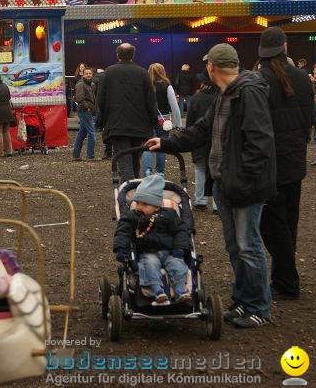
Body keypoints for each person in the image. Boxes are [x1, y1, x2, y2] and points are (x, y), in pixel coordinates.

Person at [149, 43, 276, 329]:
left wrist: (243, 181)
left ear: (212, 67)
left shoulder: (248, 93)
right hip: (227, 183)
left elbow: (260, 144)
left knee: (248, 245)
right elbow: (202, 130)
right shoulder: (225, 95)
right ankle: (243, 300)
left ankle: (259, 307)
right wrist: (168, 143)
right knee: (236, 246)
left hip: (244, 186)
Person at [257, 27, 316, 300]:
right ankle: (284, 277)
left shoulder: (260, 81)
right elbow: (310, 118)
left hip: (271, 164)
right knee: (289, 220)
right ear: (285, 46)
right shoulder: (303, 79)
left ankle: (287, 280)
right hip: (295, 160)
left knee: (272, 224)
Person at [112, 174, 192, 306]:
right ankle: (158, 292)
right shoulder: (133, 216)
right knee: (149, 265)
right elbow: (123, 231)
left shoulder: (169, 214)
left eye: (144, 204)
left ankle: (181, 292)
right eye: (137, 202)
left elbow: (180, 231)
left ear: (156, 206)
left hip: (170, 252)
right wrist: (121, 248)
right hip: (147, 252)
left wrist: (180, 247)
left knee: (178, 266)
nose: (138, 207)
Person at [96, 43, 157, 181]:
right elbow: (151, 100)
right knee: (135, 160)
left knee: (124, 160)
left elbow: (100, 100)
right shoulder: (142, 73)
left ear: (117, 55)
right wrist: (153, 121)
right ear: (133, 55)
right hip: (139, 125)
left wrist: (101, 122)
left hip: (116, 124)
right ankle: (135, 190)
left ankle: (128, 192)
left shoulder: (108, 72)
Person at [185, 72, 218, 212]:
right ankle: (217, 204)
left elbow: (190, 121)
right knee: (217, 172)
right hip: (217, 139)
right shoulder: (221, 96)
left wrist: (189, 137)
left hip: (199, 139)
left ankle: (200, 200)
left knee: (199, 169)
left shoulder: (197, 98)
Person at [142, 63, 182, 176]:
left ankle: (147, 170)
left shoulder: (144, 85)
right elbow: (174, 106)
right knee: (162, 144)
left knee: (147, 144)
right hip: (163, 120)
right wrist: (178, 124)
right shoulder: (167, 85)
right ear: (162, 71)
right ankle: (160, 172)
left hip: (147, 119)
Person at [72, 67, 97, 161]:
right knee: (92, 133)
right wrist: (88, 108)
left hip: (87, 111)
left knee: (81, 133)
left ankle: (76, 155)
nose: (88, 75)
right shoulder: (81, 84)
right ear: (83, 74)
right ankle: (90, 156)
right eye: (86, 73)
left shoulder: (90, 84)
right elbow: (79, 98)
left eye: (90, 73)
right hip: (85, 111)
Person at [0, 72, 15, 157]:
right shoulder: (5, 86)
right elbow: (9, 98)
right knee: (6, 131)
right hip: (7, 111)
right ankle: (9, 151)